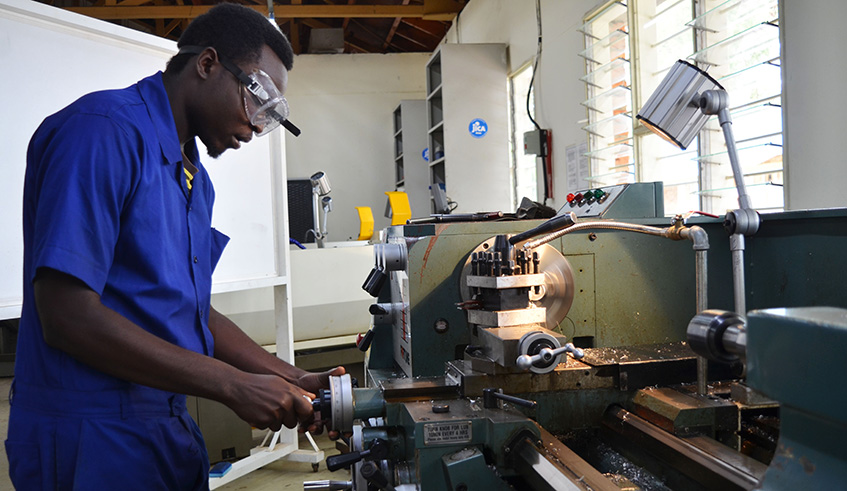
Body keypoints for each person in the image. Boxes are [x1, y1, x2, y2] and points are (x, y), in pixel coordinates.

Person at [6, 3, 343, 489]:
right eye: (256, 102)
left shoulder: (193, 179)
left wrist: (290, 378)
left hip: (161, 422)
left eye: (270, 118)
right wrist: (231, 385)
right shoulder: (102, 132)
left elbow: (191, 311)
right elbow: (66, 315)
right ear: (206, 65)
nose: (254, 128)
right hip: (90, 432)